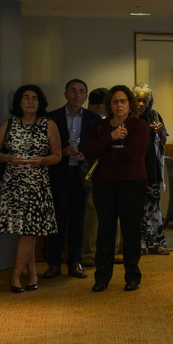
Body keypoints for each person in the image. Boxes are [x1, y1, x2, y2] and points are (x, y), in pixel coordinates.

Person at [0, 84, 61, 292]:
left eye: (34, 98)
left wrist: (42, 160)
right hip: (13, 185)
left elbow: (57, 156)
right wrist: (9, 158)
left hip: (37, 185)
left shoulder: (49, 124)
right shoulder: (9, 124)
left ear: (40, 103)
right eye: (26, 98)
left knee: (28, 233)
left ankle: (15, 276)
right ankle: (32, 274)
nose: (31, 101)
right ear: (19, 102)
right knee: (24, 232)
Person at [82, 85, 148, 292]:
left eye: (123, 101)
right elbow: (88, 150)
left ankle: (132, 276)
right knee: (105, 232)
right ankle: (102, 278)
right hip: (104, 184)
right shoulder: (100, 127)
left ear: (129, 104)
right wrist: (110, 138)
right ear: (108, 105)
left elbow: (131, 153)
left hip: (132, 183)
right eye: (115, 101)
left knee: (130, 231)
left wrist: (103, 156)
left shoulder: (139, 126)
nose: (119, 105)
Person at [45, 78, 98, 279]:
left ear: (86, 96)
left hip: (81, 177)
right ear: (66, 94)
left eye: (81, 91)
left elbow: (98, 146)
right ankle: (53, 263)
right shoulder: (52, 118)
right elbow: (44, 146)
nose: (77, 95)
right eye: (73, 91)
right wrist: (62, 151)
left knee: (78, 222)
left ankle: (75, 262)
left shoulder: (94, 118)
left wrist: (86, 153)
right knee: (56, 221)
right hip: (59, 175)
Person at [132, 83, 169, 256]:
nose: (142, 104)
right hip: (134, 170)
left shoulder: (154, 115)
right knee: (137, 207)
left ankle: (157, 243)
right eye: (139, 100)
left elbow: (163, 142)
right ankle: (139, 244)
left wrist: (161, 133)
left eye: (145, 101)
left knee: (154, 207)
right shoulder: (128, 117)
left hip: (152, 167)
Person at [80, 87, 108, 268]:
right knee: (91, 211)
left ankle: (111, 251)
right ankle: (88, 252)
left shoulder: (111, 121)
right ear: (100, 107)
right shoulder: (88, 120)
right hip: (89, 170)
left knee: (113, 210)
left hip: (111, 170)